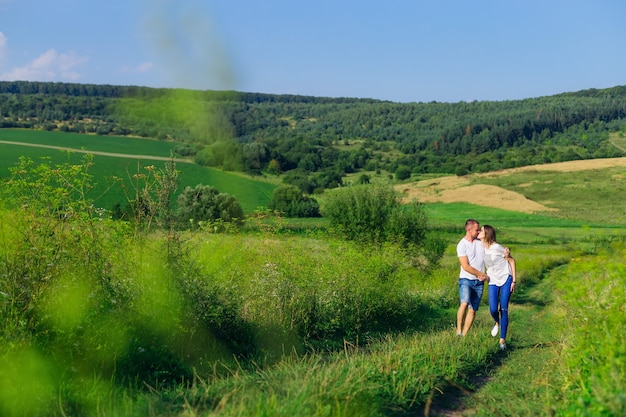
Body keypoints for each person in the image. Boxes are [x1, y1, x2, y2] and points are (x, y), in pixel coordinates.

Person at [478, 224, 516, 350]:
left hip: (506, 278)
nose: (479, 232)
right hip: (493, 280)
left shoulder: (497, 247)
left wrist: (514, 281)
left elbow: (511, 261)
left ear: (487, 234)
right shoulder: (480, 248)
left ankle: (502, 340)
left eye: (481, 231)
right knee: (493, 309)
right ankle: (497, 322)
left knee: (503, 309)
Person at [456, 219, 489, 336]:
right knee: (464, 303)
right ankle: (458, 330)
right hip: (466, 279)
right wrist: (481, 274)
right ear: (469, 230)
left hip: (479, 282)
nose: (478, 231)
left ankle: (464, 335)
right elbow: (465, 266)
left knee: (473, 309)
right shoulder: (461, 245)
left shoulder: (480, 243)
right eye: (476, 229)